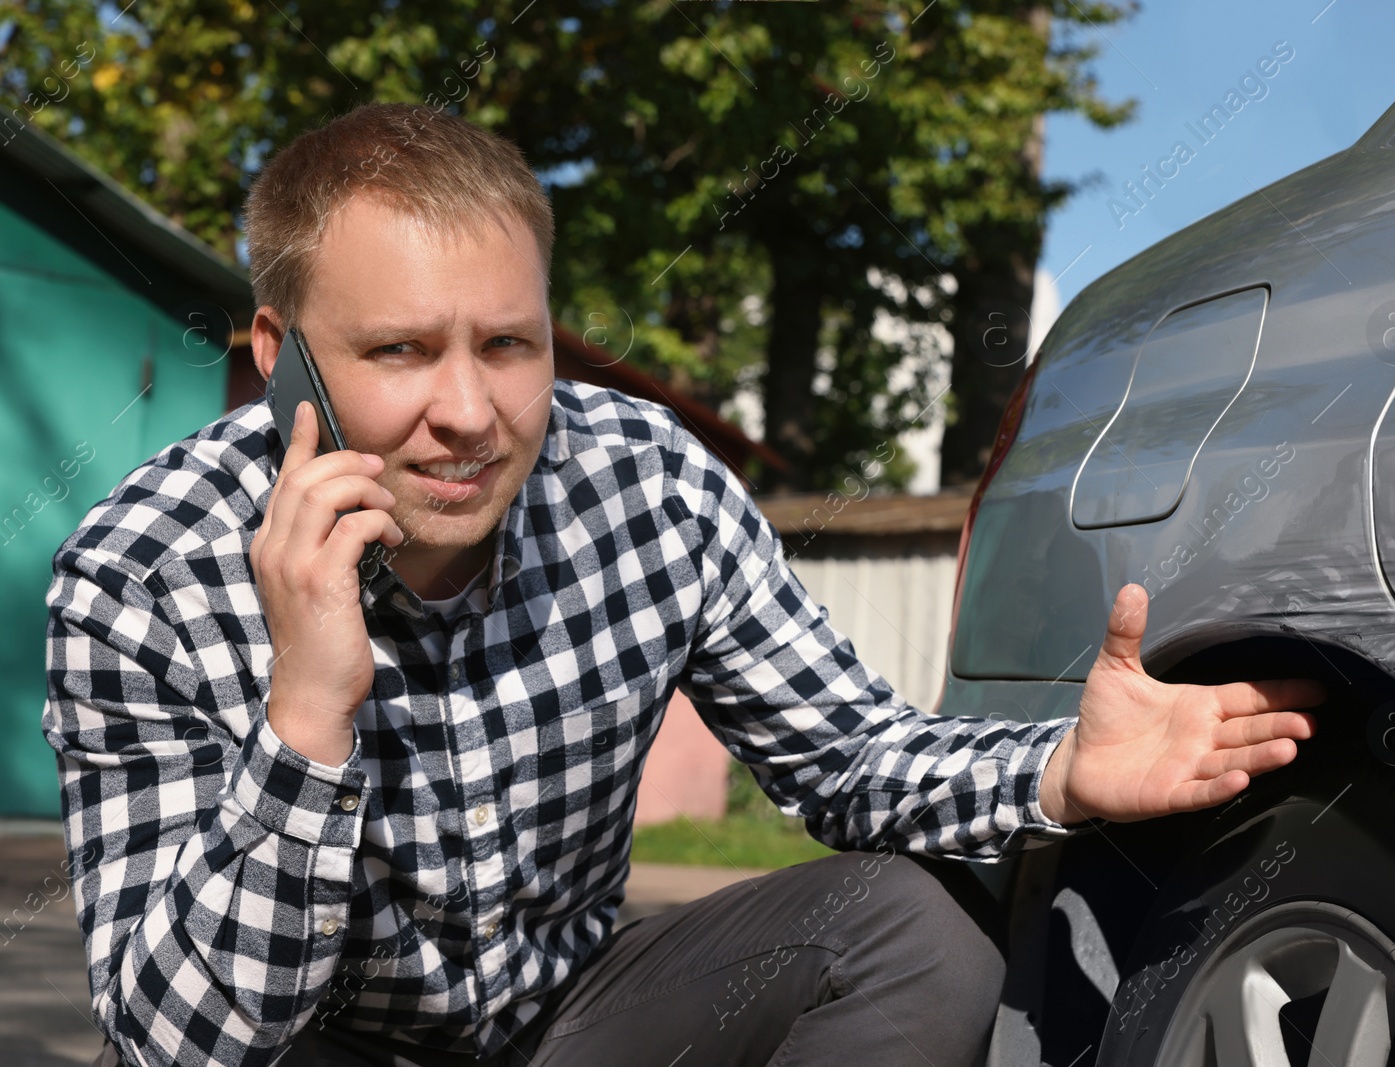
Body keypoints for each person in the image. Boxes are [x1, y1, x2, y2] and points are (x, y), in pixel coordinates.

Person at [42, 103, 1323, 1067]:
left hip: (577, 1021)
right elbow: (177, 1039)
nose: (469, 412)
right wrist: (306, 721)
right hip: (313, 1041)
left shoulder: (648, 484)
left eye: (507, 343)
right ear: (280, 360)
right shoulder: (138, 576)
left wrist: (1057, 771)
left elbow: (849, 759)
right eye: (399, 351)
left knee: (908, 926)